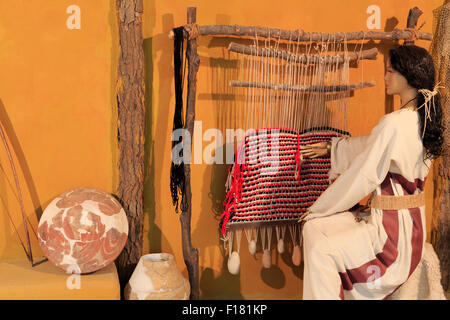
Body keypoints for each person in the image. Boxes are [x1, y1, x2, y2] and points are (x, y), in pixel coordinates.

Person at [298, 44, 445, 300]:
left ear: (407, 75)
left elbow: (363, 175)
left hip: (391, 237)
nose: (385, 78)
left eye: (390, 71)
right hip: (412, 227)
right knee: (316, 230)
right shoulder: (421, 119)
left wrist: (319, 207)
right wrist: (334, 148)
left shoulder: (395, 123)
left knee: (319, 242)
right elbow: (374, 146)